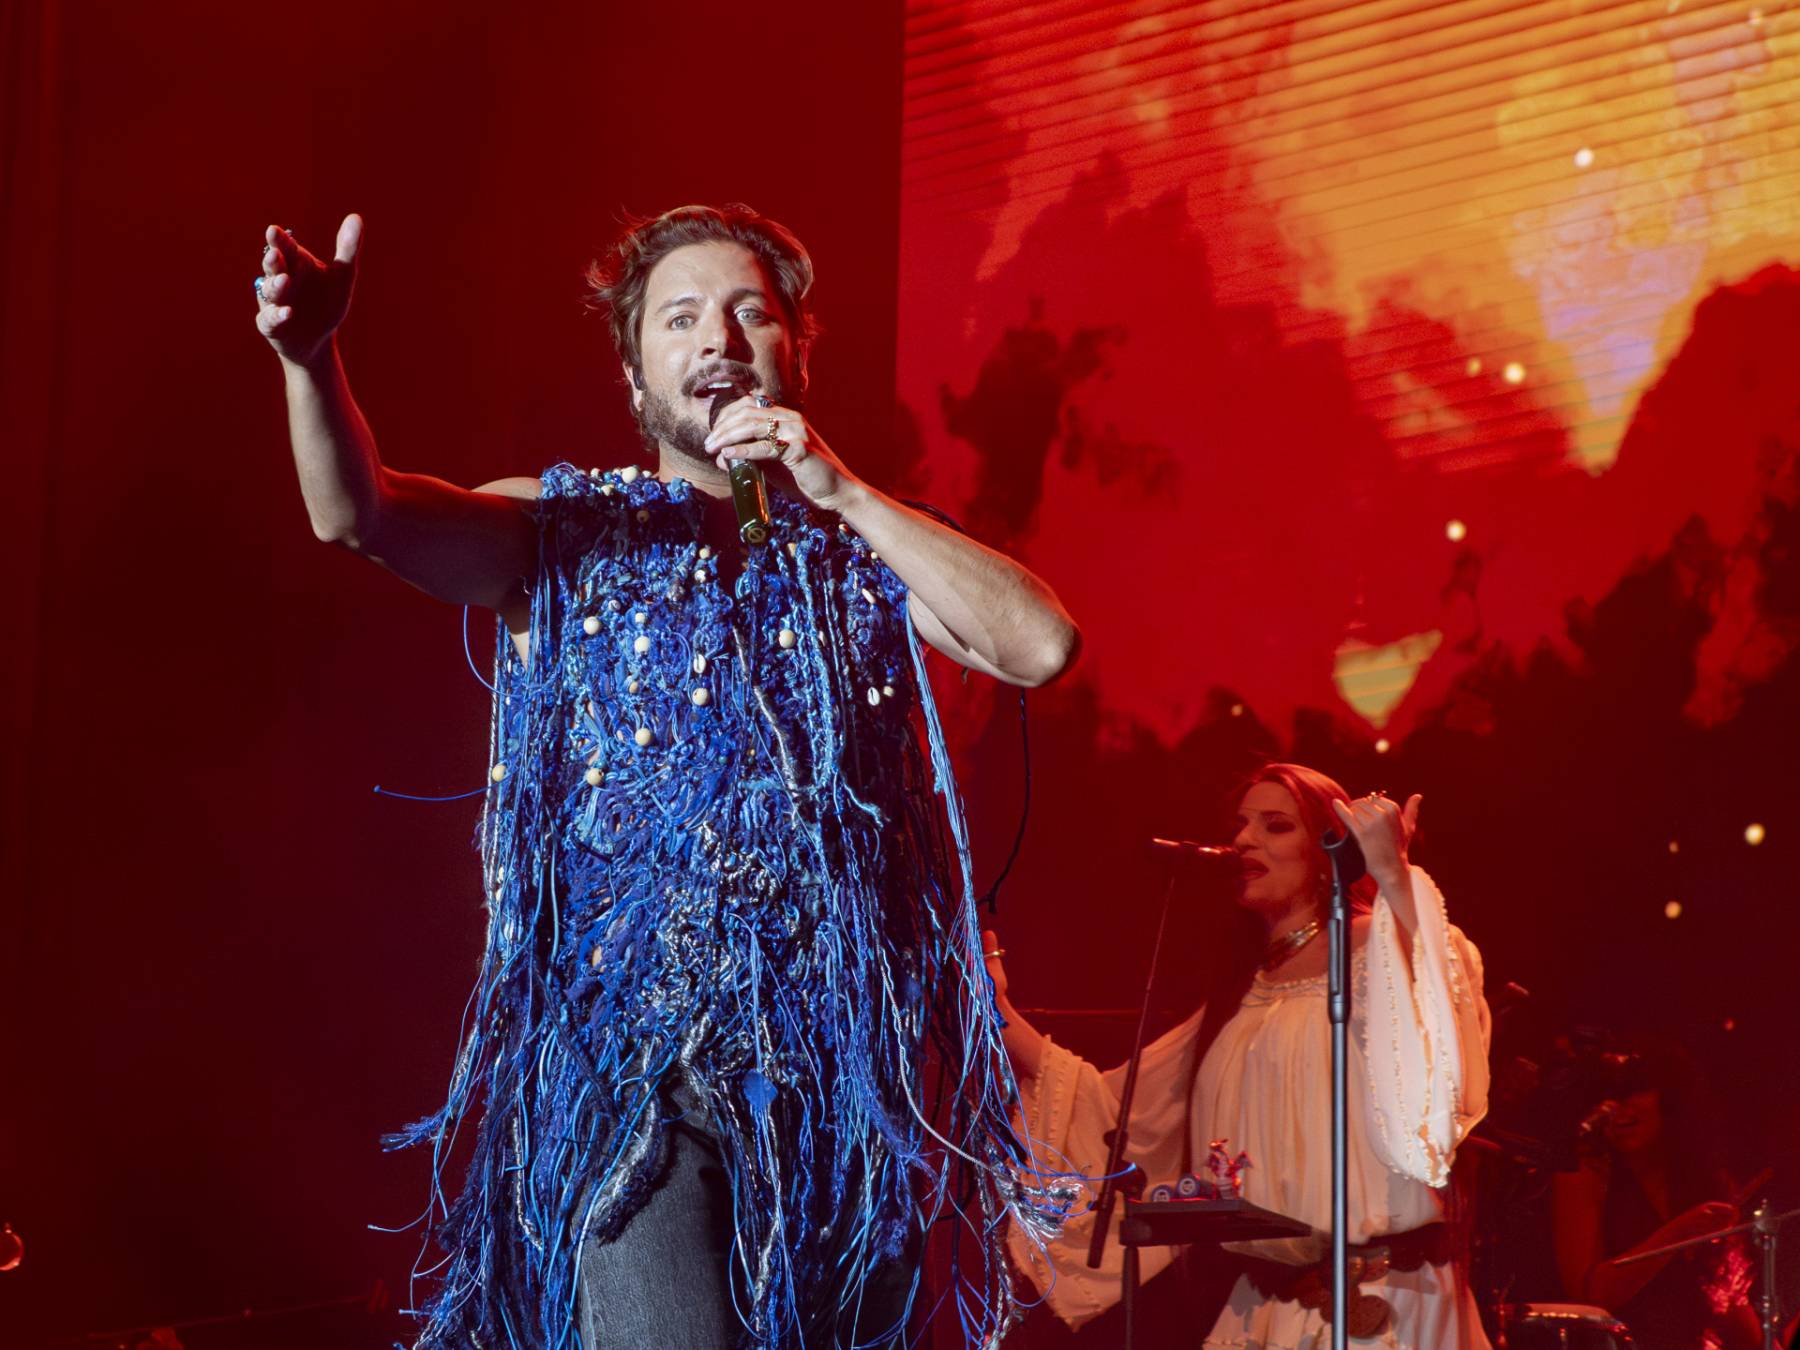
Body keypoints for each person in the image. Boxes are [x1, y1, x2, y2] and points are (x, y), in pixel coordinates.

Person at [252, 204, 1080, 1349]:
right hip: (634, 1070)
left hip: (839, 1088)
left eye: (751, 314)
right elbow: (361, 515)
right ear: (635, 373)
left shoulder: (862, 545)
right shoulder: (566, 529)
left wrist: (841, 495)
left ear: (798, 353)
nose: (720, 341)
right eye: (680, 317)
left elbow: (1039, 644)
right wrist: (310, 359)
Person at [989, 763, 1493, 1347]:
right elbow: (1116, 1114)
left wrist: (1392, 872)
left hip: (1380, 1306)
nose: (1244, 841)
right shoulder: (1243, 994)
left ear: (1330, 847)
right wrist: (991, 1005)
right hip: (1263, 1309)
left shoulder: (1376, 946)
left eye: (1276, 825)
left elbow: (1441, 1026)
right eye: (1242, 825)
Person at [1551, 1044, 1759, 1349]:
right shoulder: (1585, 1171)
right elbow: (1590, 1297)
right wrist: (1679, 1234)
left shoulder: (1701, 1178)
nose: (1617, 1108)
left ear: (1672, 1099)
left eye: (1633, 1093)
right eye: (1606, 1097)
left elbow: (1726, 1302)